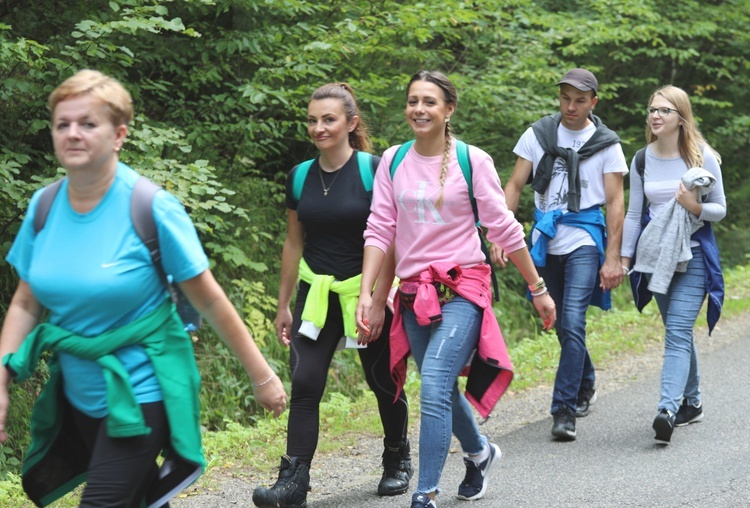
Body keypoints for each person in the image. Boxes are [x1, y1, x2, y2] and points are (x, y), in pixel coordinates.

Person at [0, 69, 287, 508]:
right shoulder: (43, 207)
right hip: (78, 393)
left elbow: (208, 298)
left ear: (118, 135)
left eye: (87, 124)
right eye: (63, 124)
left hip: (143, 388)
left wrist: (261, 376)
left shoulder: (150, 207)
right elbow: (25, 301)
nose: (73, 134)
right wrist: (1, 378)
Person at [356, 70, 556, 508]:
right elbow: (380, 229)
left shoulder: (473, 160)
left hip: (463, 287)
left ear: (449, 110)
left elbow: (501, 225)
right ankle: (480, 453)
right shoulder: (393, 159)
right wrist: (369, 295)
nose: (419, 109)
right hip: (412, 293)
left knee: (434, 384)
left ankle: (425, 491)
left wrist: (537, 285)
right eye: (412, 101)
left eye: (429, 101)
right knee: (441, 386)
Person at [252, 83, 412, 508]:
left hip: (364, 294)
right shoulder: (300, 175)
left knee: (382, 382)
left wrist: (378, 298)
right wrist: (284, 304)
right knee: (305, 384)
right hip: (316, 295)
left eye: (329, 119)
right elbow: (292, 243)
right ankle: (293, 482)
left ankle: (397, 457)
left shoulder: (374, 169)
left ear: (350, 123)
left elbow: (392, 237)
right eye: (312, 120)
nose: (318, 128)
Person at [490, 68, 628, 441]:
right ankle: (586, 380)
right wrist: (500, 233)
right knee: (560, 321)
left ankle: (563, 409)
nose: (571, 106)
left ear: (593, 102)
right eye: (566, 98)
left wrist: (613, 256)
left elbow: (616, 201)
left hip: (585, 237)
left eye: (580, 100)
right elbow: (515, 184)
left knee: (572, 319)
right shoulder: (538, 135)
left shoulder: (606, 143)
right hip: (546, 239)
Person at [621, 85, 726, 443]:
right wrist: (624, 257)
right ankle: (692, 403)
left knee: (677, 333)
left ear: (681, 118)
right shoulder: (641, 159)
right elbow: (635, 214)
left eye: (664, 110)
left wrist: (694, 206)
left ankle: (667, 409)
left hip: (694, 253)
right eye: (651, 110)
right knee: (677, 331)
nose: (655, 116)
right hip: (655, 257)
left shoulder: (702, 158)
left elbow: (720, 209)